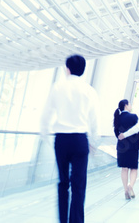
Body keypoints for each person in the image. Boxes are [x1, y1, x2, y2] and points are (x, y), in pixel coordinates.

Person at [40, 54, 101, 223]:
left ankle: (62, 220)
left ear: (67, 69)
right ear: (83, 70)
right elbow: (94, 119)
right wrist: (94, 141)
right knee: (79, 185)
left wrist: (46, 136)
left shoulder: (57, 87)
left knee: (63, 183)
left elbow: (46, 114)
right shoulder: (89, 90)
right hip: (80, 140)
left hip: (61, 140)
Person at [114, 99, 139, 200]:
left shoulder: (117, 117)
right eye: (130, 104)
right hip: (133, 146)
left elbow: (116, 133)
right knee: (133, 168)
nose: (131, 106)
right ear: (126, 105)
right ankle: (130, 186)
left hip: (122, 146)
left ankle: (125, 190)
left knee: (124, 169)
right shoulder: (133, 116)